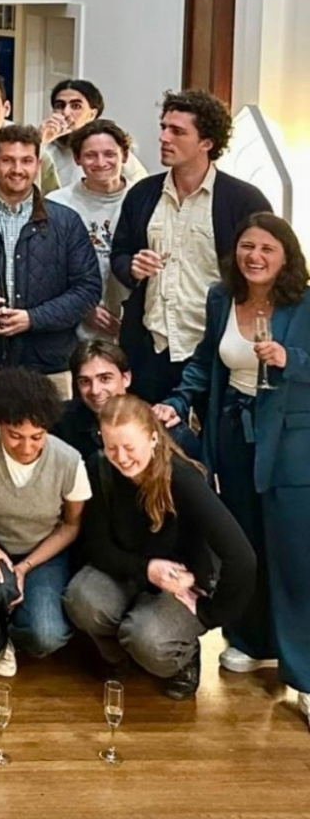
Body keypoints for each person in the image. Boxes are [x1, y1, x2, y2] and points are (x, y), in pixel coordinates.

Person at [156, 214, 310, 694]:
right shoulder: (221, 297)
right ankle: (252, 639)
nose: (254, 256)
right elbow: (206, 361)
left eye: (267, 248)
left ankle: (304, 672)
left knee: (294, 554)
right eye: (247, 246)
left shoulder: (304, 303)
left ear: (286, 256)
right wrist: (179, 401)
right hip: (233, 435)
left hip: (290, 443)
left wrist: (290, 359)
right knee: (246, 543)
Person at [62, 395, 255, 700]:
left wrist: (211, 613)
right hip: (131, 569)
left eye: (129, 447)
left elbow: (242, 558)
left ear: (153, 438)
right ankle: (118, 657)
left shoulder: (183, 478)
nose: (121, 457)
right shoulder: (99, 468)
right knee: (82, 599)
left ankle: (183, 656)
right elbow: (96, 545)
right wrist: (147, 570)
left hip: (180, 582)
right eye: (112, 447)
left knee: (148, 638)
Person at [111, 88, 271, 406]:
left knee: (213, 435)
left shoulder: (244, 200)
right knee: (149, 433)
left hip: (214, 345)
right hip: (152, 345)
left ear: (206, 143)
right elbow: (119, 254)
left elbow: (268, 266)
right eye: (163, 127)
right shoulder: (142, 193)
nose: (164, 137)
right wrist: (133, 267)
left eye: (177, 131)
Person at [0, 124, 100, 428]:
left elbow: (87, 288)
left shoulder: (65, 221)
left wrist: (33, 318)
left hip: (49, 364)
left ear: (38, 164)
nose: (17, 169)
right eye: (7, 160)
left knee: (53, 447)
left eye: (26, 161)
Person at [0, 368, 88, 676]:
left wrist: (25, 567)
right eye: (15, 436)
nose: (27, 447)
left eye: (37, 437)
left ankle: (14, 617)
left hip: (42, 552)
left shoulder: (69, 460)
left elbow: (71, 525)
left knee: (47, 636)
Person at [48, 118, 133, 342]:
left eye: (109, 154)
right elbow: (47, 270)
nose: (100, 162)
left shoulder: (143, 200)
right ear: (77, 158)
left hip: (130, 326)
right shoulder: (57, 204)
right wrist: (82, 306)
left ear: (124, 155)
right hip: (71, 331)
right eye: (90, 155)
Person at [44, 78, 148, 191]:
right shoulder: (45, 149)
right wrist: (41, 141)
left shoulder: (111, 147)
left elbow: (143, 188)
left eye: (76, 106)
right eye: (60, 106)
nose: (66, 113)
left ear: (92, 114)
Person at [59, 338, 134, 462]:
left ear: (126, 378)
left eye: (105, 379)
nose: (95, 390)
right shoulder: (61, 422)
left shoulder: (148, 420)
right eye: (85, 381)